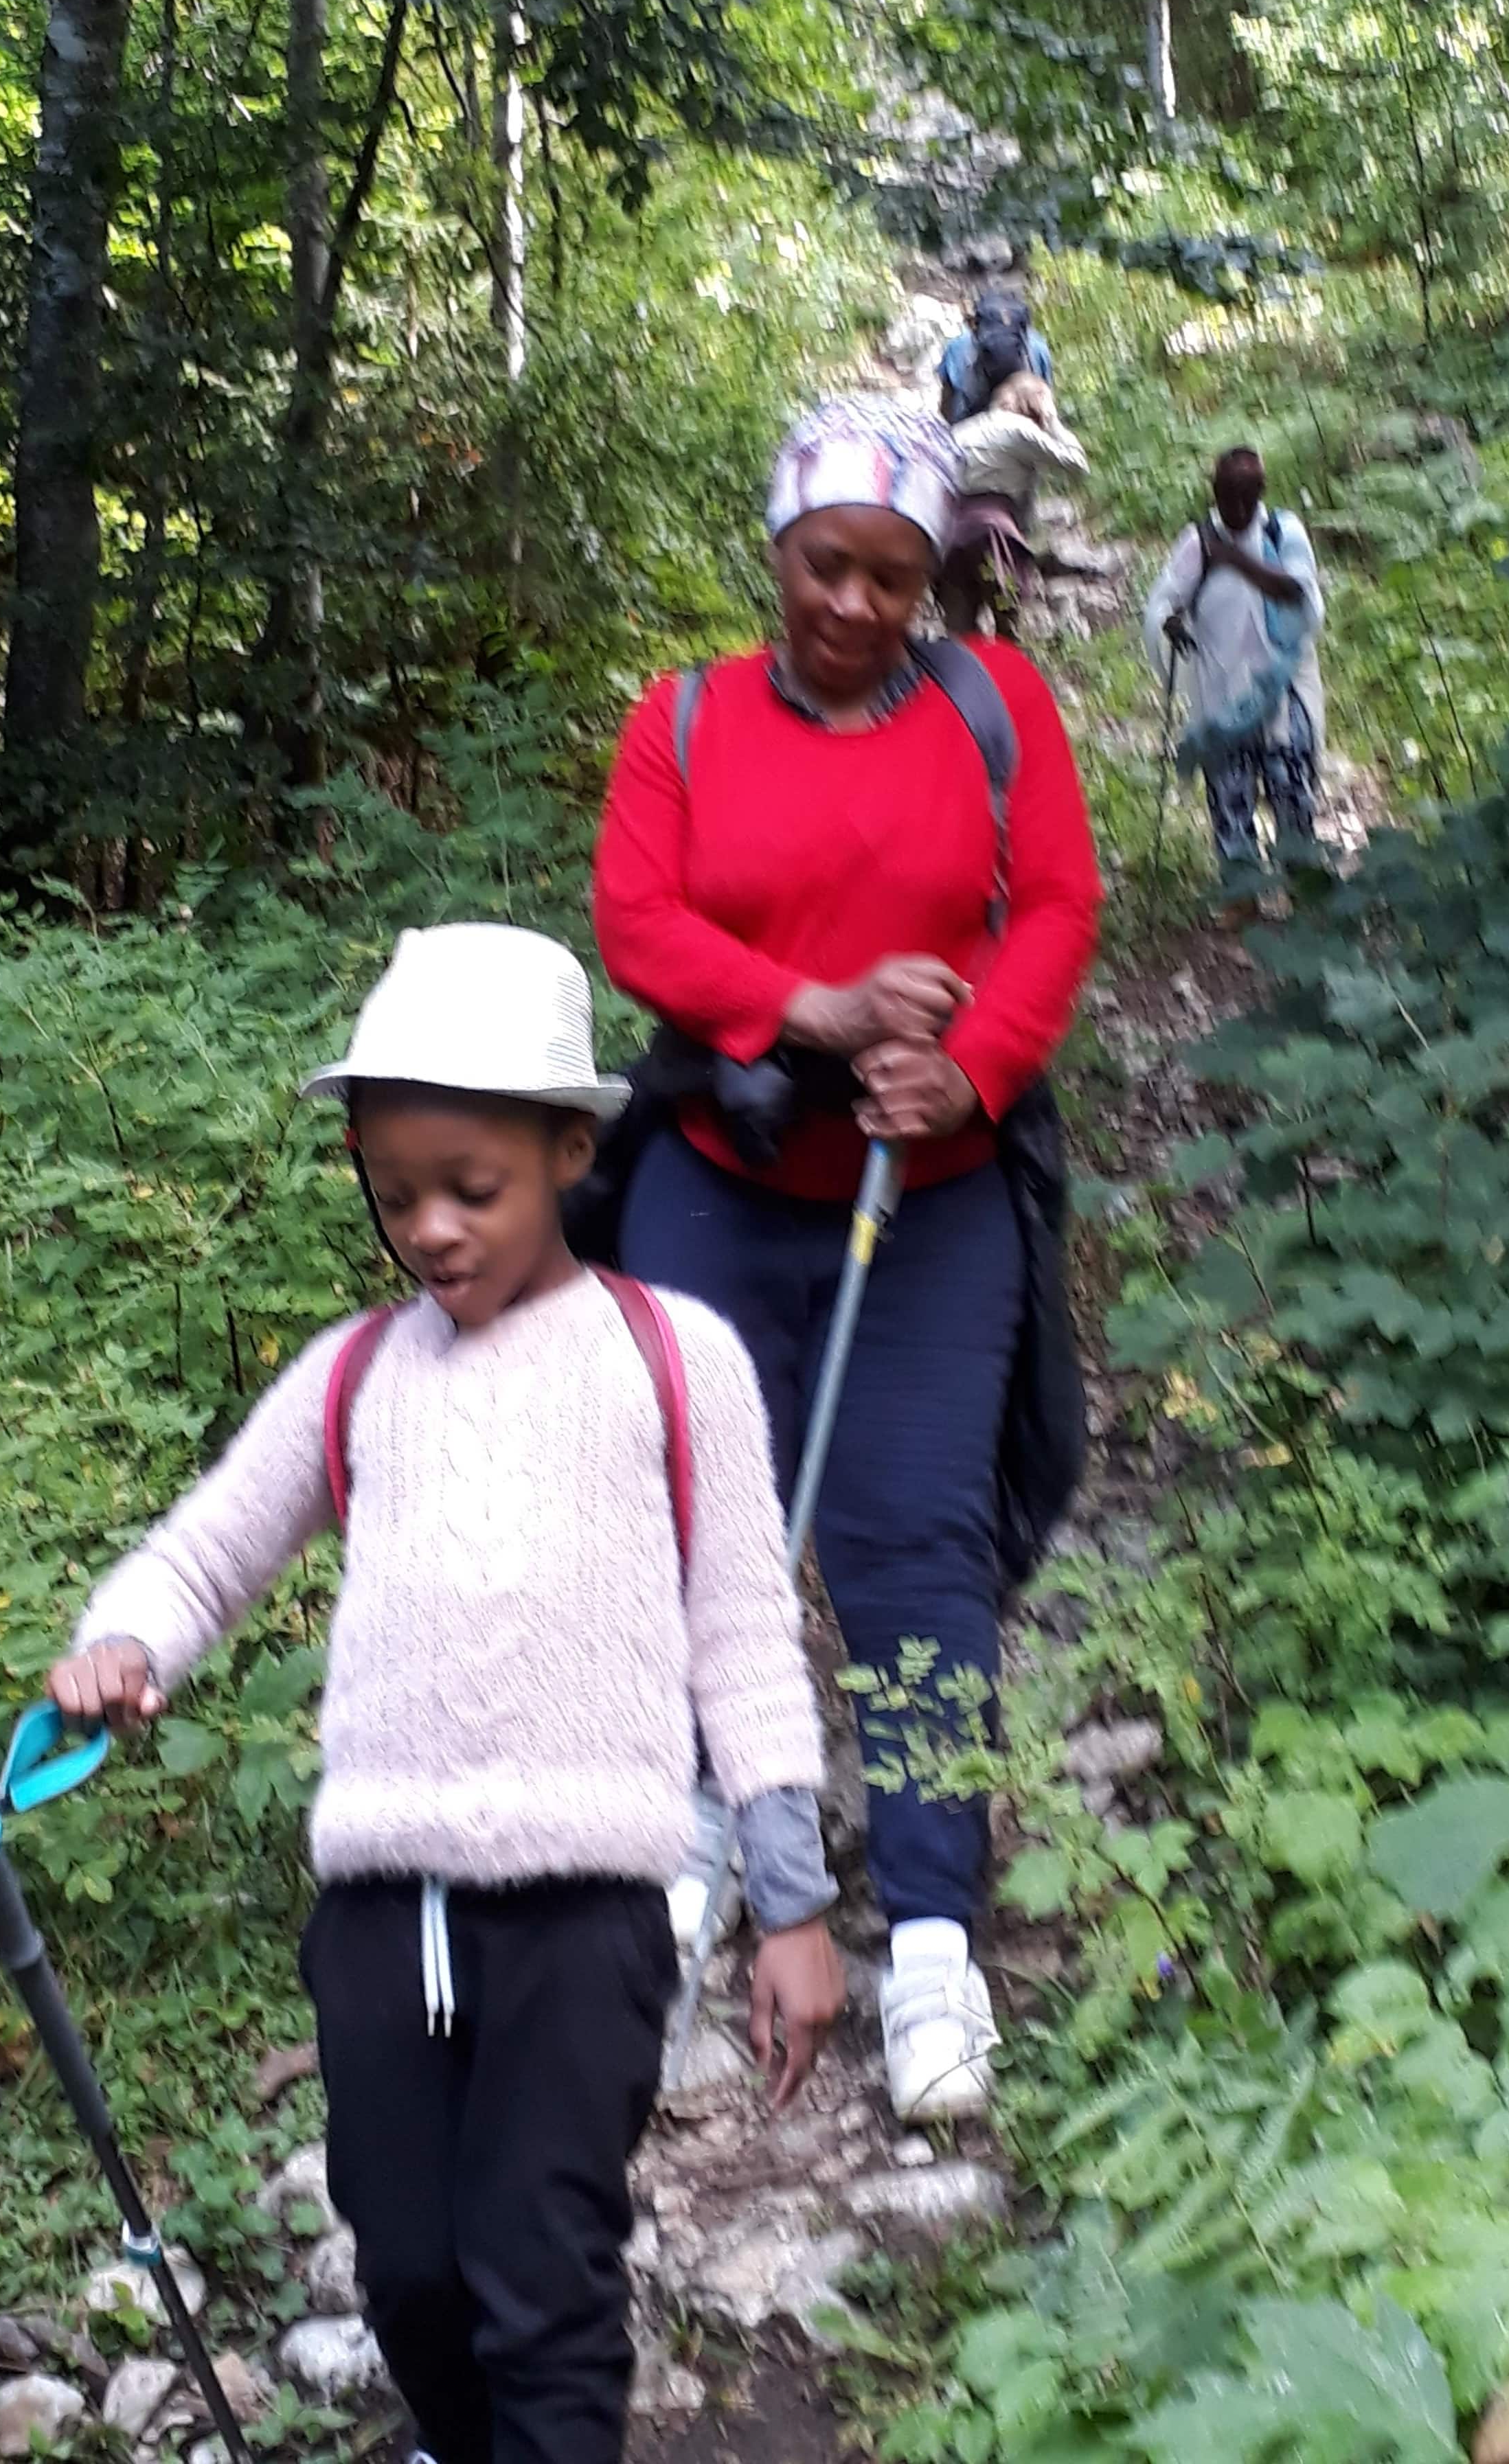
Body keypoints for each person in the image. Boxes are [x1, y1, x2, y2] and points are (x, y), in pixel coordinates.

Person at [44, 922, 843, 2464]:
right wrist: (126, 1641)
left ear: (568, 1149)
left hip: (587, 1912)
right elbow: (206, 1553)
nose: (431, 1228)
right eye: (396, 1191)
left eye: (471, 1189)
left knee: (541, 2276)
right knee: (410, 2267)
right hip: (378, 1907)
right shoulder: (358, 1375)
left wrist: (794, 1903)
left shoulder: (674, 1360)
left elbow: (745, 1633)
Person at [592, 396, 1101, 2126]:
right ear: (777, 554)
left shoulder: (997, 706)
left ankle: (937, 1933)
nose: (859, 605)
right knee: (685, 1520)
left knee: (912, 1537)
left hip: (933, 1189)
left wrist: (972, 1060)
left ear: (936, 576)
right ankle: (693, 1859)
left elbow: (1054, 906)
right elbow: (641, 917)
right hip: (723, 1175)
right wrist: (811, 1008)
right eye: (829, 567)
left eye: (896, 575)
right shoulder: (684, 718)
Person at [1142, 446, 1326, 886]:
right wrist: (1170, 624)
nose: (1239, 509)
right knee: (1229, 796)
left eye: (1248, 496)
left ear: (1262, 492)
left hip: (1283, 693)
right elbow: (1164, 601)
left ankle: (1303, 890)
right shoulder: (1199, 543)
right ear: (1215, 493)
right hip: (1222, 693)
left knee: (1293, 790)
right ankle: (1242, 895)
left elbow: (1299, 593)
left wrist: (1234, 558)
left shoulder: (1285, 533)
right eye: (1229, 497)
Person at [939, 372, 1089, 639]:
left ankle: (961, 677)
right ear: (1034, 401)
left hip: (950, 538)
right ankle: (1006, 677)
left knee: (958, 637)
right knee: (1006, 629)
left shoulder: (960, 431)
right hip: (992, 535)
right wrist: (1052, 419)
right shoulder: (1017, 429)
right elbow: (1077, 463)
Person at [938, 282, 1056, 425]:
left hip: (970, 427)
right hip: (1024, 426)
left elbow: (946, 407)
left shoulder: (957, 349)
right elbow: (1045, 401)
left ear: (976, 325)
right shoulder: (1037, 347)